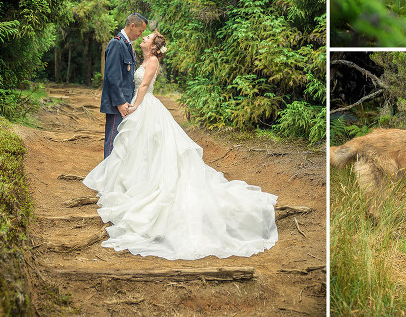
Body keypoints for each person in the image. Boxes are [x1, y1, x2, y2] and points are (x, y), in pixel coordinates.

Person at [83, 31, 278, 260]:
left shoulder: (153, 61)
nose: (143, 39)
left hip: (146, 106)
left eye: (147, 38)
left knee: (150, 147)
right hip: (140, 105)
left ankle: (147, 185)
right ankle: (135, 182)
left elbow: (144, 86)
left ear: (154, 48)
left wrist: (134, 106)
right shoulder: (142, 58)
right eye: (144, 37)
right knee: (139, 149)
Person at [100, 13, 147, 158]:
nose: (140, 35)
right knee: (113, 141)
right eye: (140, 31)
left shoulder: (127, 45)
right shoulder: (116, 43)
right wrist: (120, 103)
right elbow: (113, 77)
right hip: (117, 105)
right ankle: (107, 177)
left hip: (126, 104)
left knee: (121, 142)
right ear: (132, 26)